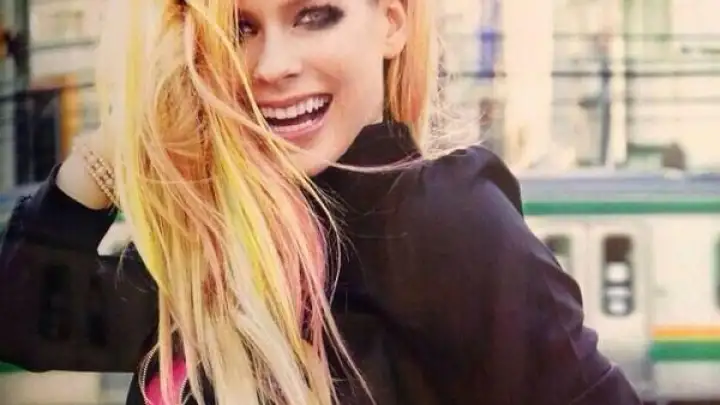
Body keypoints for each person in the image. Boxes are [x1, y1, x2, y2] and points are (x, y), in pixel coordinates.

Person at [0, 0, 642, 404]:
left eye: (314, 15)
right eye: (240, 27)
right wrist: (111, 151)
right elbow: (26, 321)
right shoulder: (216, 241)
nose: (271, 65)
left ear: (391, 21)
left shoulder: (441, 219)